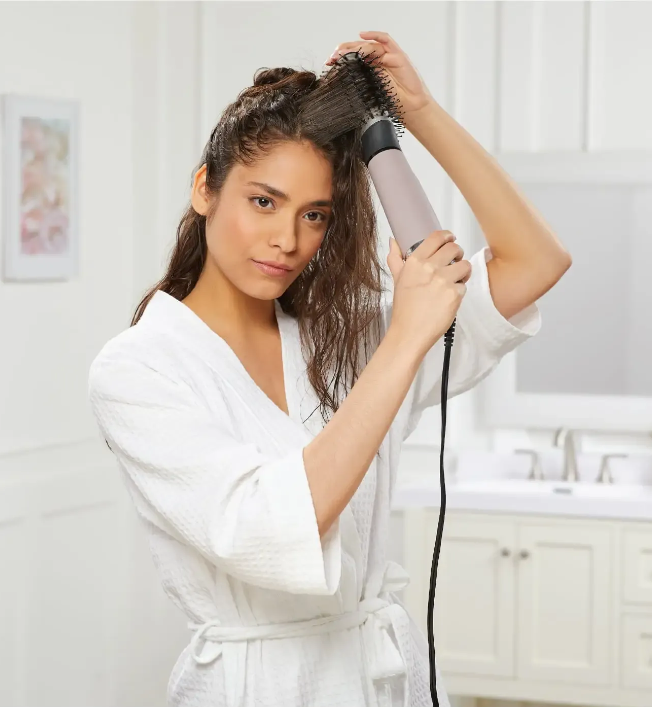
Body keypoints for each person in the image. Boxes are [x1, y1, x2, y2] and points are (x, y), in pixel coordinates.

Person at [88, 31, 570, 707]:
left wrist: (418, 112)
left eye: (313, 215)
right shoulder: (139, 369)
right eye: (264, 201)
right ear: (205, 190)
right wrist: (406, 339)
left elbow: (535, 262)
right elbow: (271, 525)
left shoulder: (342, 338)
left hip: (383, 676)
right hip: (258, 688)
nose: (287, 240)